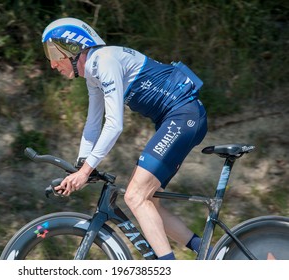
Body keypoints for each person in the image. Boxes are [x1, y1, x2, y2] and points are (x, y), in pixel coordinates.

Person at [41, 17, 208, 260]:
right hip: (177, 118)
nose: (53, 64)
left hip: (183, 116)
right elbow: (93, 123)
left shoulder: (105, 61)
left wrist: (86, 171)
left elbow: (114, 124)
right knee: (147, 201)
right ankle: (212, 255)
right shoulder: (93, 72)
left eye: (54, 54)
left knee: (135, 196)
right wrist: (81, 167)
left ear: (73, 47)